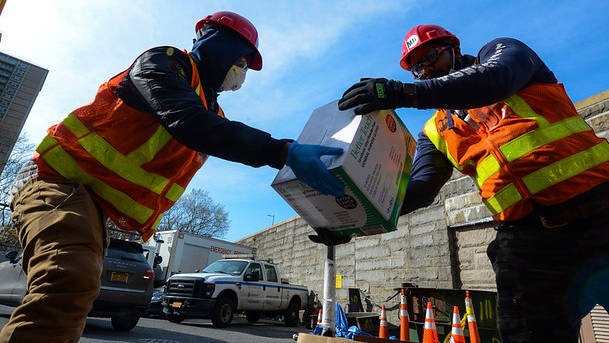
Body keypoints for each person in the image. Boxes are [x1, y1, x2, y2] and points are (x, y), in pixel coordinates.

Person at [0, 11, 345, 343]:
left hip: (91, 203)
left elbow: (211, 130)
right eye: (241, 60)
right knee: (68, 280)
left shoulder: (213, 110)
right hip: (54, 179)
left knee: (73, 297)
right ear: (217, 43)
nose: (241, 72)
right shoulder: (164, 63)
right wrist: (283, 152)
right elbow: (189, 123)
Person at [338, 24, 609, 343]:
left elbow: (496, 78)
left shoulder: (502, 54)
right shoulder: (435, 129)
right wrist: (354, 220)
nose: (424, 71)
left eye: (429, 57)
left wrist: (405, 93)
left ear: (453, 47)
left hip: (599, 215)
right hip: (528, 244)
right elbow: (422, 188)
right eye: (416, 68)